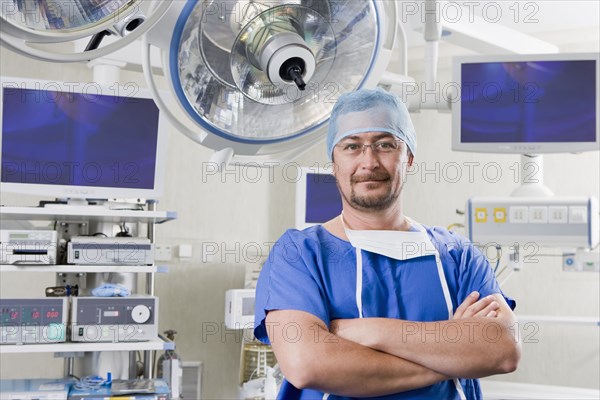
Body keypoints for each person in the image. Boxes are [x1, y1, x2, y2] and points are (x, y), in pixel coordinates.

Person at [254, 88, 521, 399]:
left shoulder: (457, 255)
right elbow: (307, 365)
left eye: (384, 145)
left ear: (407, 157)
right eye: (352, 146)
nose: (369, 161)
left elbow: (502, 350)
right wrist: (454, 358)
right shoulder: (299, 254)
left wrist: (361, 332)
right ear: (333, 162)